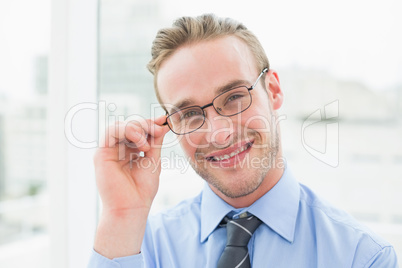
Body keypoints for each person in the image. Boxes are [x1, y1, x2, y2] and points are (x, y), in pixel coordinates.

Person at [88, 14, 398, 267]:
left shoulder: (362, 257)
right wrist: (121, 215)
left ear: (273, 90)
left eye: (235, 97)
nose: (219, 133)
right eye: (190, 114)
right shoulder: (141, 250)